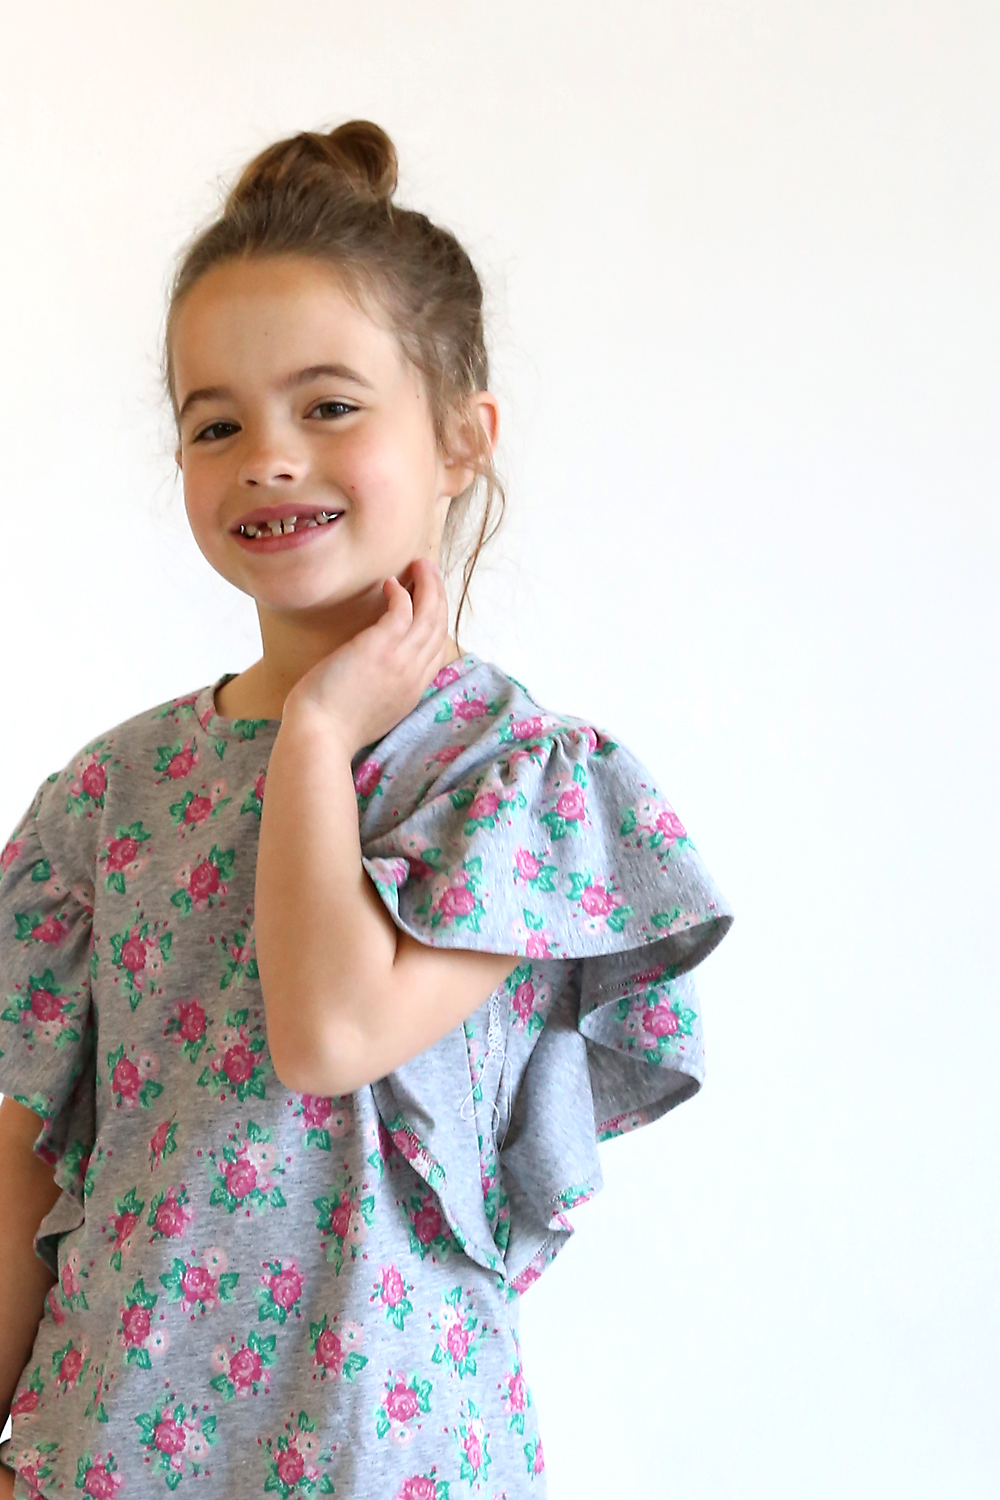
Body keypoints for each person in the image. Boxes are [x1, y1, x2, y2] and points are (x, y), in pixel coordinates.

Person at [0, 119, 733, 1500]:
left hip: (387, 1457)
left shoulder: (522, 783)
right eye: (216, 424)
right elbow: (16, 1177)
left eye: (328, 406)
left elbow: (329, 1031)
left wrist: (321, 729)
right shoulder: (108, 796)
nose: (268, 456)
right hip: (98, 1451)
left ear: (462, 438)